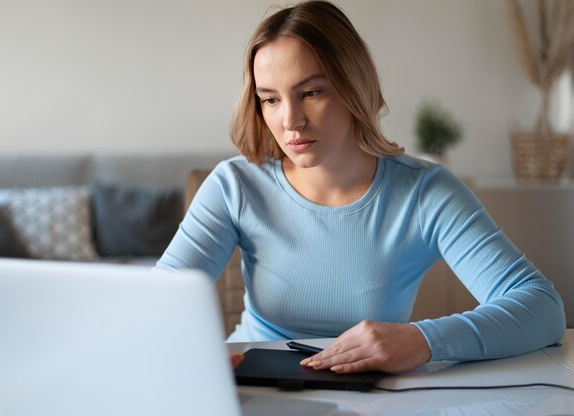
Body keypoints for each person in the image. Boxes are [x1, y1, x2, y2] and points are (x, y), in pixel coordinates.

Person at [156, 0, 565, 373]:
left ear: (354, 89)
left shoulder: (425, 193)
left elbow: (542, 309)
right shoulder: (234, 185)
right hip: (252, 388)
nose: (290, 120)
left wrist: (424, 339)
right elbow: (154, 304)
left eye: (311, 92)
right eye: (270, 100)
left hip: (375, 398)